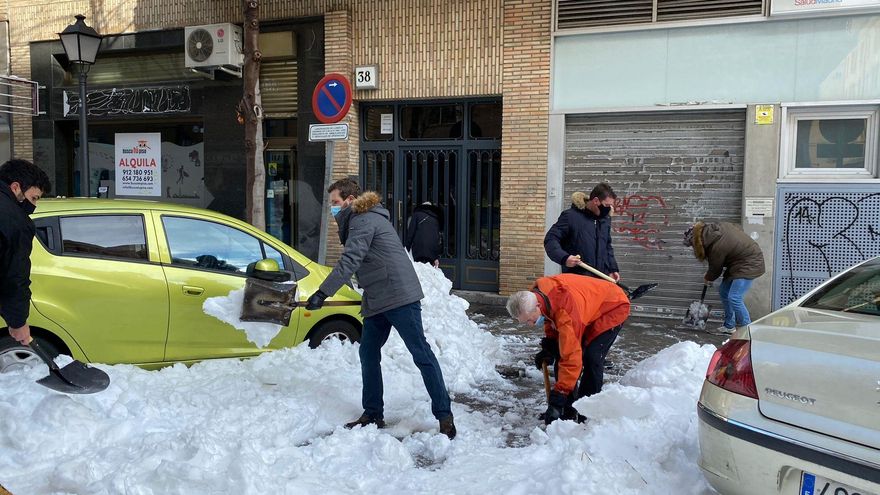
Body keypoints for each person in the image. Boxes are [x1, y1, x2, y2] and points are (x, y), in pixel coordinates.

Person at [305, 178, 456, 439]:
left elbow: (351, 259)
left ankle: (444, 415)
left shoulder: (363, 220)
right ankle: (373, 413)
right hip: (378, 297)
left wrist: (322, 293)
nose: (333, 208)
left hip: (399, 296)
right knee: (368, 352)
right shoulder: (358, 219)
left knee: (420, 353)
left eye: (336, 203)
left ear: (350, 200)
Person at [506, 273, 630, 424]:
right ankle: (566, 411)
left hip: (612, 307)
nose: (530, 325)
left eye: (530, 320)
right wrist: (550, 345)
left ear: (537, 306)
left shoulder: (566, 312)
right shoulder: (538, 295)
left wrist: (559, 393)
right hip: (587, 305)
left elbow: (571, 357)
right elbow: (550, 316)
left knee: (591, 358)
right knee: (560, 352)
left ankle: (587, 414)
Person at [0, 159, 51, 346]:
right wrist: (18, 322)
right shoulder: (15, 221)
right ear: (15, 187)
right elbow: (14, 276)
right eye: (34, 198)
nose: (34, 205)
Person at [683, 221, 765, 335]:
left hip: (750, 263)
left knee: (734, 297)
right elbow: (737, 226)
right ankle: (729, 326)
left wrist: (708, 277)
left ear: (695, 241)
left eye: (692, 245)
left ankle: (747, 329)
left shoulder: (716, 246)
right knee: (724, 291)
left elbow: (716, 268)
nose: (693, 248)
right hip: (737, 264)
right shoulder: (714, 232)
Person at [544, 183, 620, 281]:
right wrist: (564, 258)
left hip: (601, 278)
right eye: (607, 205)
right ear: (596, 201)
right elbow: (551, 239)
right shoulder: (570, 217)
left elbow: (607, 246)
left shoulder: (605, 220)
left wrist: (612, 268)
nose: (609, 209)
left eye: (611, 206)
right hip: (578, 279)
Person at [404, 201, 442, 267]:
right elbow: (437, 238)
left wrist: (406, 249)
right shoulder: (435, 218)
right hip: (431, 250)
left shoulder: (416, 215)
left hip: (419, 248)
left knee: (420, 270)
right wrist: (436, 257)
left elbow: (411, 233)